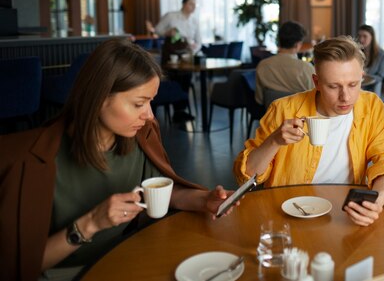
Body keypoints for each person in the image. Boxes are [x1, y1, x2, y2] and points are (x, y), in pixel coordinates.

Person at [0, 38, 238, 281]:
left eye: (150, 101)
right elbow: (18, 267)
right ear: (99, 97)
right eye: (139, 103)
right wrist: (90, 223)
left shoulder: (139, 134)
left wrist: (203, 200)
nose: (149, 115)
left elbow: (159, 190)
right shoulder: (31, 161)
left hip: (130, 256)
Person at [234, 36, 384, 226]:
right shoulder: (283, 109)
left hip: (344, 215)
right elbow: (247, 176)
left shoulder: (371, 106)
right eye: (333, 86)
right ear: (316, 82)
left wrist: (379, 197)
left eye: (353, 84)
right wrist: (274, 141)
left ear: (362, 78)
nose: (345, 97)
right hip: (288, 214)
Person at [155, 0, 201, 122]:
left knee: (186, 80)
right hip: (171, 54)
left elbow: (199, 41)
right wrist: (167, 33)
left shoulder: (195, 21)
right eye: (191, 3)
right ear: (184, 4)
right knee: (174, 80)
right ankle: (174, 110)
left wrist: (192, 50)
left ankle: (181, 111)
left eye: (195, 4)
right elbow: (157, 30)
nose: (193, 7)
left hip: (187, 55)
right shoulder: (171, 16)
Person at [255, 20, 315, 105]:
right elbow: (315, 99)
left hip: (271, 115)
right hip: (301, 117)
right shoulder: (306, 68)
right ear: (297, 44)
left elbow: (259, 99)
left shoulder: (262, 65)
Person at [357, 24, 384, 95]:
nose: (361, 39)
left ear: (372, 37)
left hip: (371, 86)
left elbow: (380, 76)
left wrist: (366, 76)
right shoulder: (356, 52)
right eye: (359, 36)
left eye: (365, 36)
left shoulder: (382, 54)